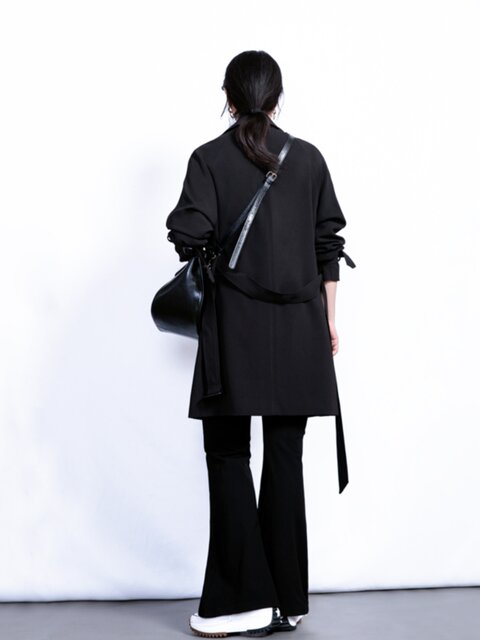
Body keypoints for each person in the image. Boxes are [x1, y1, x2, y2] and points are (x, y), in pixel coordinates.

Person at [165, 50, 356, 637]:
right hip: (299, 329)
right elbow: (329, 245)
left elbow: (187, 232)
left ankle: (240, 602)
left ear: (228, 98)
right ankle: (287, 601)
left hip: (233, 333)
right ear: (278, 99)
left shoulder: (209, 159)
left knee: (228, 455)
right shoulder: (309, 159)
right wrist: (328, 320)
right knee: (285, 456)